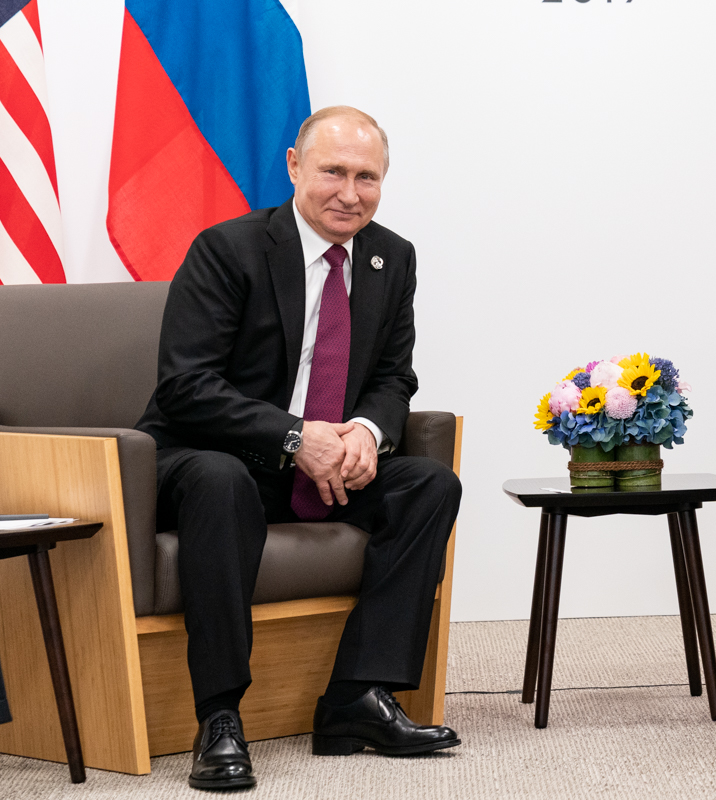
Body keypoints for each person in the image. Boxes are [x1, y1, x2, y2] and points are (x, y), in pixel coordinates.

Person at [136, 106, 462, 791]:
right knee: (221, 481)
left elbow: (393, 375)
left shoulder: (389, 256)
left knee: (430, 485)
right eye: (333, 172)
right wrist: (294, 438)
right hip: (209, 455)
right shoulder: (228, 249)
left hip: (323, 460)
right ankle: (219, 715)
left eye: (367, 177)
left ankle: (357, 698)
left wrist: (367, 434)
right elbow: (186, 386)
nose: (350, 193)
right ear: (293, 167)